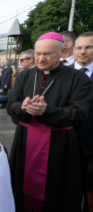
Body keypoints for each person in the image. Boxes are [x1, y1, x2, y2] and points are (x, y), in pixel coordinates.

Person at [7, 32, 92, 211]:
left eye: (48, 54)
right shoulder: (23, 76)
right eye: (38, 53)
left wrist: (47, 111)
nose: (41, 58)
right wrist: (21, 108)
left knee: (56, 194)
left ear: (62, 52)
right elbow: (10, 105)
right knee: (20, 187)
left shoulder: (79, 79)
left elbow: (79, 114)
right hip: (25, 142)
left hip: (59, 146)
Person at [68, 32, 93, 210]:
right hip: (64, 145)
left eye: (88, 47)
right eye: (79, 47)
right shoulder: (60, 73)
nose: (82, 51)